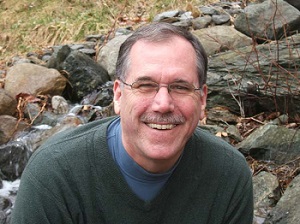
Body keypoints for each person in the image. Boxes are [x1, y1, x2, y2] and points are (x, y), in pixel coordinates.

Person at [11, 22, 253, 224]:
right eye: (145, 85)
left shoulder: (228, 176)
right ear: (118, 95)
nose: (163, 104)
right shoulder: (53, 176)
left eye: (180, 87)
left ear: (202, 100)